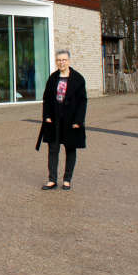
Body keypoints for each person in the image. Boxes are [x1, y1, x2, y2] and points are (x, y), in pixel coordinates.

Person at [36, 49, 87, 191]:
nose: (61, 62)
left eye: (64, 60)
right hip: (54, 120)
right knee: (53, 149)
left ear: (69, 61)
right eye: (59, 60)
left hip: (71, 121)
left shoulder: (78, 79)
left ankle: (67, 180)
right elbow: (46, 99)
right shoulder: (52, 78)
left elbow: (83, 102)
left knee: (70, 149)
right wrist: (46, 116)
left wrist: (78, 120)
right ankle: (52, 179)